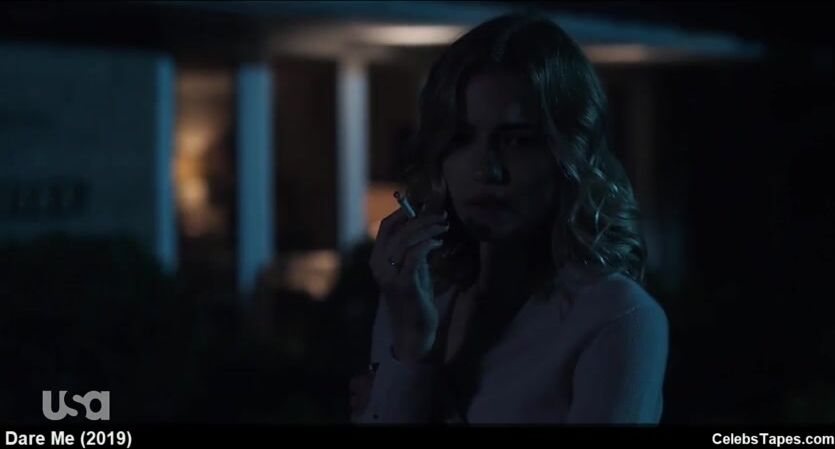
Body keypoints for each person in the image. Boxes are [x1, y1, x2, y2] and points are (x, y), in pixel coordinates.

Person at [349, 12, 669, 424]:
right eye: (462, 139)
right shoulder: (419, 292)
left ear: (568, 155)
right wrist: (412, 347)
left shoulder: (616, 317)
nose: (486, 170)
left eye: (517, 142)